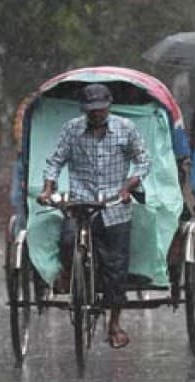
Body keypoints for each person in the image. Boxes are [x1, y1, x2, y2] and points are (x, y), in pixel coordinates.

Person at [36, 83, 150, 349]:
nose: (96, 114)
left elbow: (143, 161)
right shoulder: (72, 129)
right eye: (91, 110)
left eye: (100, 109)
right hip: (80, 202)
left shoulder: (125, 128)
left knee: (116, 267)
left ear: (108, 106)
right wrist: (48, 189)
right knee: (67, 241)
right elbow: (55, 161)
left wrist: (128, 186)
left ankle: (114, 324)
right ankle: (71, 277)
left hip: (114, 205)